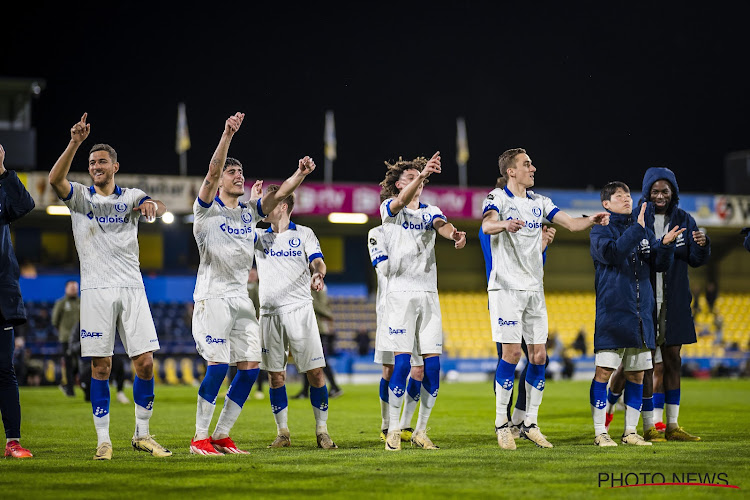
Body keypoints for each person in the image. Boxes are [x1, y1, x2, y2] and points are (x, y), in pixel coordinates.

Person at [189, 113, 316, 455]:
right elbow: (212, 171)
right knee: (218, 366)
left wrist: (300, 174)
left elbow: (278, 197)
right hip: (212, 297)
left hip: (242, 300)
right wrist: (228, 133)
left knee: (248, 369)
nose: (238, 175)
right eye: (233, 172)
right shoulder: (205, 209)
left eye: (241, 172)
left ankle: (221, 435)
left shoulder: (248, 213)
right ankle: (198, 438)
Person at [49, 114, 170, 460]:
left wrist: (152, 206)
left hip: (132, 288)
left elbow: (158, 206)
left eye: (101, 161)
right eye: (91, 162)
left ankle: (142, 434)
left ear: (115, 165)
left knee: (145, 363)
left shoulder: (130, 196)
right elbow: (55, 179)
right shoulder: (81, 198)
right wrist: (75, 142)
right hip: (97, 291)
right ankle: (104, 440)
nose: (95, 166)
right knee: (100, 366)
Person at [481, 147, 610, 450]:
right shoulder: (498, 198)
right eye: (526, 164)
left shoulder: (541, 203)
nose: (533, 168)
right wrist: (504, 224)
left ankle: (530, 423)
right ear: (511, 171)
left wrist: (592, 219)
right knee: (512, 355)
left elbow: (571, 223)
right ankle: (502, 424)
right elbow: (487, 224)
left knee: (539, 356)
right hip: (506, 289)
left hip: (534, 290)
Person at [605, 168, 709, 443]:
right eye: (655, 191)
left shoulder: (684, 219)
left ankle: (672, 425)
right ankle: (650, 423)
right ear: (647, 192)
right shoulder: (638, 217)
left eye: (665, 191)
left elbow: (695, 258)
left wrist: (702, 245)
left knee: (673, 360)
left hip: (674, 300)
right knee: (646, 364)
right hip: (644, 300)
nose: (660, 195)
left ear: (673, 192)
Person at [378, 152, 467, 451]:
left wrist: (454, 234)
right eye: (410, 178)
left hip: (429, 294)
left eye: (419, 179)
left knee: (432, 367)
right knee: (402, 364)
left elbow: (441, 224)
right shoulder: (389, 209)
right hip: (400, 294)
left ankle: (421, 430)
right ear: (399, 184)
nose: (417, 182)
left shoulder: (431, 210)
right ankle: (393, 430)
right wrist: (423, 173)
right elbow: (401, 201)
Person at [588, 181, 681, 447]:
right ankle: (600, 432)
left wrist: (664, 245)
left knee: (637, 375)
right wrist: (639, 229)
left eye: (628, 195)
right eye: (619, 196)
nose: (626, 199)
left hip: (641, 316)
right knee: (604, 372)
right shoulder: (600, 230)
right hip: (613, 314)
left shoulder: (641, 229)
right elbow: (613, 254)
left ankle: (630, 432)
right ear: (606, 203)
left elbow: (659, 264)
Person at [255, 183, 338, 450]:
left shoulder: (304, 234)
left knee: (315, 373)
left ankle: (322, 431)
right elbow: (239, 222)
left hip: (300, 310)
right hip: (269, 313)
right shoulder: (257, 235)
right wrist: (253, 200)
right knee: (275, 376)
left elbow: (317, 259)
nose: (264, 206)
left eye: (270, 201)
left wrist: (318, 272)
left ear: (282, 205)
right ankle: (282, 432)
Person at [479, 175, 556, 440]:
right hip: (505, 295)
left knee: (537, 357)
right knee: (510, 357)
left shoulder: (528, 224)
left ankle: (522, 418)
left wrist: (542, 243)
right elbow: (500, 260)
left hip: (528, 293)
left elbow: (532, 265)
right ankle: (506, 420)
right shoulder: (495, 221)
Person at [368, 223, 424, 444]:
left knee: (418, 370)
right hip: (389, 310)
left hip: (417, 306)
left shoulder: (417, 230)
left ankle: (406, 425)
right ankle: (386, 424)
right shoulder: (377, 234)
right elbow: (384, 268)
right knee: (389, 369)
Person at [0, 144, 35, 458]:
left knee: (4, 371)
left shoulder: (1, 193)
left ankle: (13, 442)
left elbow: (25, 205)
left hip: (1, 299)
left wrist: (2, 172)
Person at [294, 285, 344, 399]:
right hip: (316, 328)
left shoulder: (312, 287)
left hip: (315, 328)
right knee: (310, 360)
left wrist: (328, 315)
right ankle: (306, 391)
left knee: (316, 360)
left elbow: (315, 304)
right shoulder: (320, 287)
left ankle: (334, 387)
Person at [52, 280, 81, 397]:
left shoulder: (82, 302)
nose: (74, 289)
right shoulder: (61, 303)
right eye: (71, 287)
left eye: (75, 287)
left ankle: (67, 385)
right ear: (66, 289)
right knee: (68, 364)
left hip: (81, 338)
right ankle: (70, 390)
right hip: (66, 339)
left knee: (80, 364)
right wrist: (64, 332)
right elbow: (55, 321)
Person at [246, 267, 266, 399]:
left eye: (254, 273)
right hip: (243, 326)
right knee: (239, 359)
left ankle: (259, 388)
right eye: (250, 273)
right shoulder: (240, 288)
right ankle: (235, 388)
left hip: (256, 326)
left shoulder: (260, 289)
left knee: (258, 358)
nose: (252, 275)